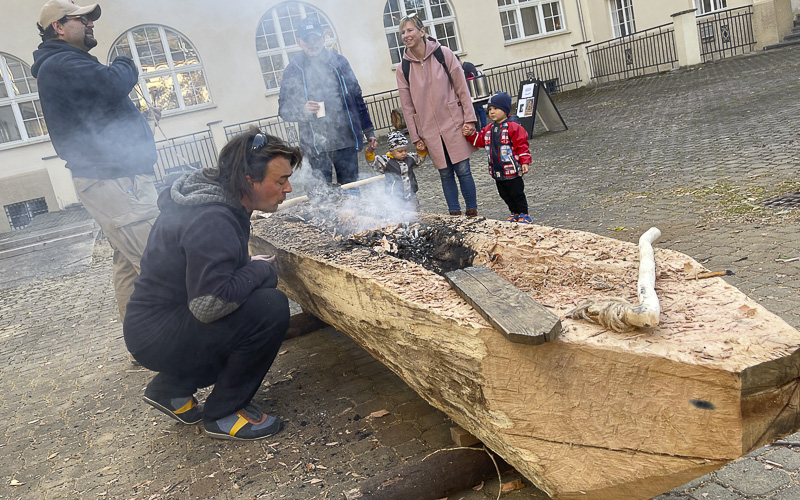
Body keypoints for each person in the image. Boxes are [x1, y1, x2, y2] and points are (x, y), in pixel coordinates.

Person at [123, 130, 300, 440]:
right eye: (280, 180)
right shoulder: (212, 219)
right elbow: (209, 305)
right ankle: (225, 412)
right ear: (248, 179)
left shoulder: (221, 200)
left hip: (154, 328)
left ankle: (171, 391)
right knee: (268, 308)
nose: (288, 187)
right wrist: (259, 272)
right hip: (158, 334)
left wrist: (248, 271)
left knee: (248, 299)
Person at [31, 0, 161, 323]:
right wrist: (125, 60)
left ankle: (142, 343)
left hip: (112, 178)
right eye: (81, 19)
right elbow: (113, 82)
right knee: (158, 258)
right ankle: (186, 343)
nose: (90, 23)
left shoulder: (67, 63)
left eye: (89, 18)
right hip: (114, 179)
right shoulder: (60, 63)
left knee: (127, 262)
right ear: (58, 27)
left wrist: (139, 119)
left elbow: (96, 115)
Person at [396, 13, 479, 217]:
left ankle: (472, 212)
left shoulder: (444, 54)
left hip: (454, 122)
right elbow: (407, 107)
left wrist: (469, 119)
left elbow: (462, 89)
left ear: (422, 31)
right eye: (402, 32)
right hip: (428, 129)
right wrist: (415, 137)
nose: (406, 35)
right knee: (444, 172)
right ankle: (454, 214)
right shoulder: (403, 68)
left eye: (410, 30)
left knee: (463, 169)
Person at [278, 16, 378, 186]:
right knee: (324, 199)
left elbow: (356, 97)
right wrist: (302, 109)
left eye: (316, 38)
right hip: (315, 147)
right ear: (299, 42)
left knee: (351, 192)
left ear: (324, 37)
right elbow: (284, 109)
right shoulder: (293, 69)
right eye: (307, 39)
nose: (312, 43)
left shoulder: (339, 62)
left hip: (345, 141)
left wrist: (369, 131)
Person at [464, 92, 533, 223]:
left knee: (517, 193)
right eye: (490, 109)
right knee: (504, 194)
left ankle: (524, 213)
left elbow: (522, 145)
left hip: (512, 169)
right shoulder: (489, 129)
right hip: (497, 171)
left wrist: (525, 162)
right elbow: (480, 140)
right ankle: (514, 212)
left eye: (496, 108)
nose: (492, 112)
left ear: (505, 110)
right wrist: (470, 135)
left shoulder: (513, 127)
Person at [364, 131, 427, 207]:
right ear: (391, 152)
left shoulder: (409, 158)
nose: (404, 153)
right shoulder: (386, 161)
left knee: (415, 212)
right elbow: (373, 163)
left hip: (411, 194)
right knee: (399, 214)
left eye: (405, 150)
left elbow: (418, 159)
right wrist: (369, 152)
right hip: (395, 196)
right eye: (400, 151)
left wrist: (421, 151)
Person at [459, 57, 488, 129]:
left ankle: (483, 126)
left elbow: (473, 77)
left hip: (475, 92)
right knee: (476, 110)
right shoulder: (463, 67)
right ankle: (479, 127)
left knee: (479, 109)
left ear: (459, 60)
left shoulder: (467, 66)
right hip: (472, 92)